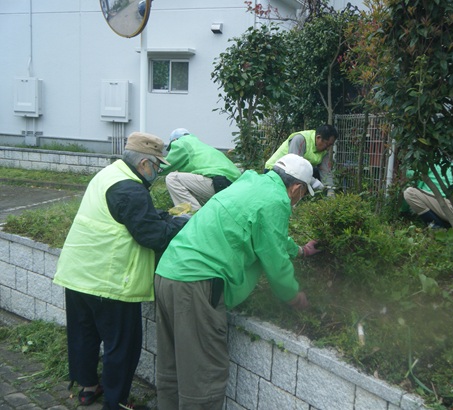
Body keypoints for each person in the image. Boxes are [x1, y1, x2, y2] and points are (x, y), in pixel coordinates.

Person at [154, 153, 321, 409]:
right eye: (303, 194)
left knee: (172, 368)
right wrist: (294, 295)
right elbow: (275, 261)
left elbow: (270, 236)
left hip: (168, 273)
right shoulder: (276, 200)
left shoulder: (251, 183)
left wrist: (299, 250)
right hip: (197, 285)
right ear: (296, 188)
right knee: (204, 376)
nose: (300, 199)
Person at [53, 132, 188, 410]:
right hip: (110, 281)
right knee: (122, 347)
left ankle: (88, 388)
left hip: (78, 273)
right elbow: (153, 236)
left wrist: (163, 216)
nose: (159, 172)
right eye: (158, 166)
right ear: (144, 164)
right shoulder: (131, 189)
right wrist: (181, 223)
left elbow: (127, 216)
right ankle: (116, 403)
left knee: (84, 334)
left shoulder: (110, 174)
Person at [162, 128, 242, 211]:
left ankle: (191, 216)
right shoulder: (204, 147)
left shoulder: (181, 142)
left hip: (218, 182)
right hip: (235, 187)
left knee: (172, 178)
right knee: (190, 190)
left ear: (174, 140)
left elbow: (166, 165)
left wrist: (155, 166)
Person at [264, 124, 338, 196]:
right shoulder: (300, 139)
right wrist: (313, 182)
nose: (328, 148)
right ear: (318, 138)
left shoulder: (324, 151)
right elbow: (295, 168)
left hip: (293, 172)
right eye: (327, 144)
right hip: (275, 170)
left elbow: (326, 171)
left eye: (330, 145)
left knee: (315, 173)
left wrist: (330, 191)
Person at [403, 165, 453, 229]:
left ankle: (437, 227)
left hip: (452, 209)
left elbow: (413, 184)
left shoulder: (422, 164)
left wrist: (403, 212)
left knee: (409, 193)